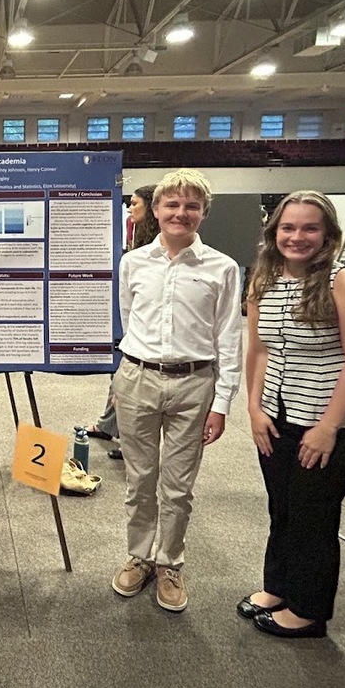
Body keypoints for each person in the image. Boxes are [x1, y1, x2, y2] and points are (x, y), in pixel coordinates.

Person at [240, 191, 345, 638]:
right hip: (277, 418)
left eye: (309, 228)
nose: (297, 237)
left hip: (329, 423)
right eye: (288, 228)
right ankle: (279, 587)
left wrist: (327, 427)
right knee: (283, 509)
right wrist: (254, 408)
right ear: (273, 232)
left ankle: (309, 610)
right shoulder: (264, 279)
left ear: (328, 234)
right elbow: (258, 350)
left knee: (314, 517)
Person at [110, 168, 242, 613]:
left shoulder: (221, 268)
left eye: (191, 205)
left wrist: (221, 403)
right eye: (172, 204)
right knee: (140, 478)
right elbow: (129, 320)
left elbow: (229, 337)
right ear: (158, 210)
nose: (180, 213)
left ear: (203, 212)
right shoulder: (133, 262)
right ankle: (140, 555)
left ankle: (169, 561)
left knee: (178, 485)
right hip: (138, 378)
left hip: (195, 383)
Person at [88, 185, 160, 461]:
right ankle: (108, 425)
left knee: (126, 379)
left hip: (140, 329)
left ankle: (125, 438)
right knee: (118, 374)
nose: (130, 208)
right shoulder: (137, 236)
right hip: (124, 319)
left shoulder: (154, 245)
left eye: (135, 203)